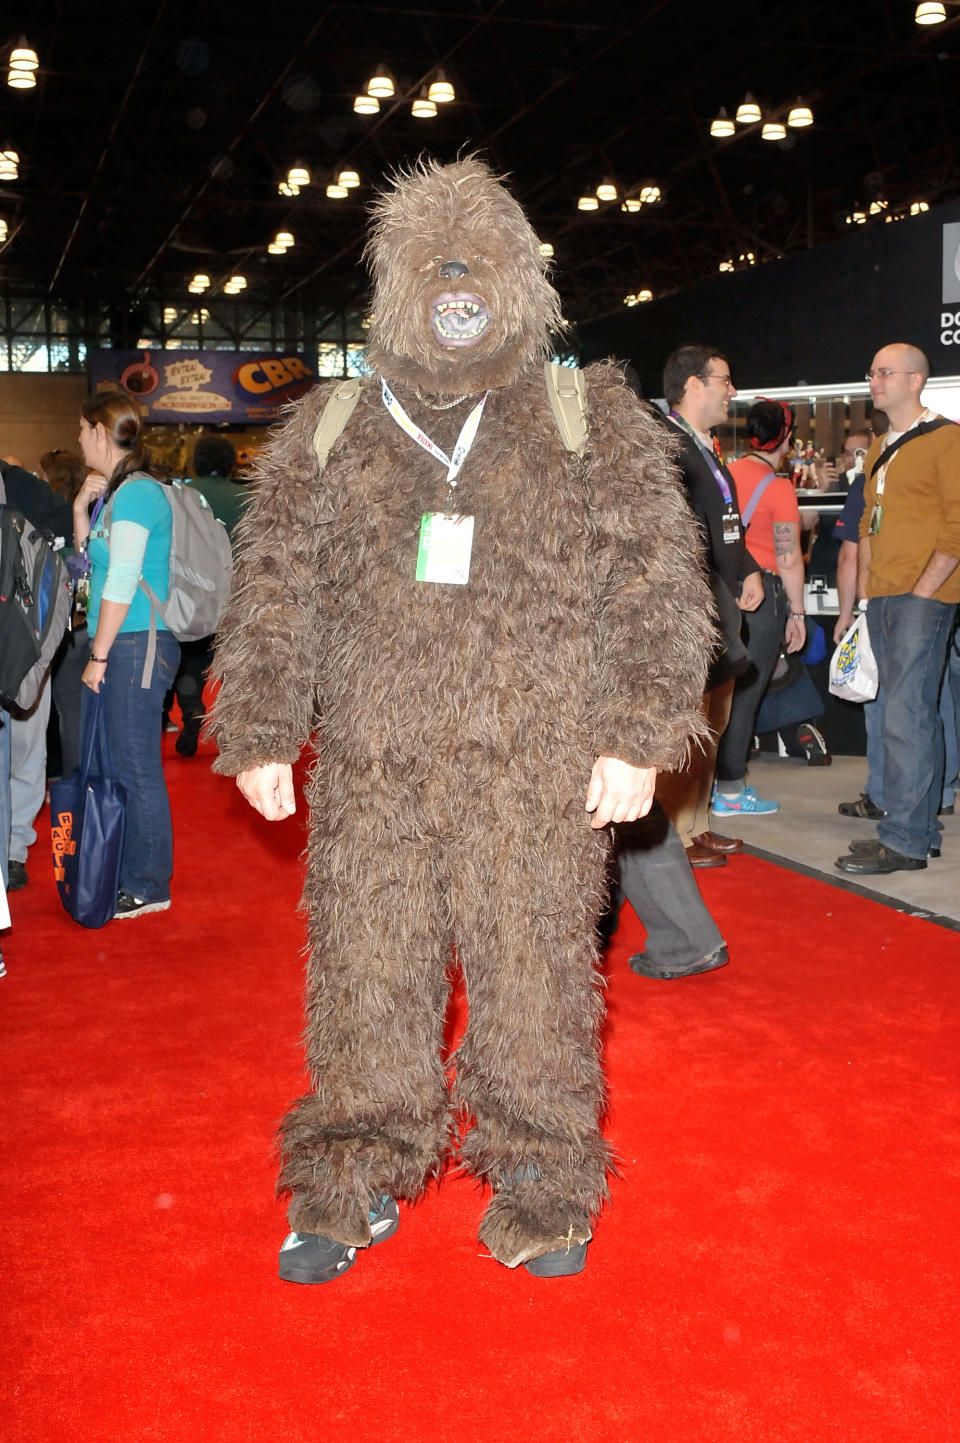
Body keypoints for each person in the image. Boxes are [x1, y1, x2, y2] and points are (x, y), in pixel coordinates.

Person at [210, 157, 713, 1283]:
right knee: (364, 971)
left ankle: (541, 1172)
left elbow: (657, 586)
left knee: (535, 972)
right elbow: (275, 583)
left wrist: (638, 734)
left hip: (534, 768)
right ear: (393, 287)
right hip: (372, 769)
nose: (452, 287)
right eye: (428, 270)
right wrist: (260, 725)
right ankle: (355, 1164)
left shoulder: (588, 417)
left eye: (475, 268)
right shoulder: (334, 425)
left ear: (522, 283)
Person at [836, 343, 960, 876]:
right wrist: (865, 594)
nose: (874, 381)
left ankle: (905, 839)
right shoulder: (884, 444)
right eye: (871, 372)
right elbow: (866, 526)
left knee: (907, 715)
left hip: (920, 598)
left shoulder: (948, 438)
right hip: (883, 596)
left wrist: (924, 590)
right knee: (898, 713)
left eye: (885, 373)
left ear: (915, 380)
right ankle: (917, 830)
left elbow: (958, 523)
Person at [655, 345, 764, 865]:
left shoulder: (707, 446)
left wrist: (748, 569)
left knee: (712, 721)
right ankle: (674, 835)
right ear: (693, 385)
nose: (732, 390)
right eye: (724, 380)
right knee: (688, 721)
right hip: (691, 608)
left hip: (722, 603)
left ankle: (696, 827)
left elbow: (726, 526)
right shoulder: (667, 446)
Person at [73, 390, 179, 918]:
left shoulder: (137, 495)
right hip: (125, 641)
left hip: (136, 642)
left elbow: (120, 579)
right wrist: (79, 512)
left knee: (136, 765)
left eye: (81, 429)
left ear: (99, 431)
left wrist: (98, 655)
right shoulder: (117, 495)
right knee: (120, 762)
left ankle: (148, 882)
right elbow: (90, 574)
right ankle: (130, 870)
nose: (76, 440)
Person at [711, 400, 809, 817]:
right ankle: (731, 792)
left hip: (722, 593)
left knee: (718, 697)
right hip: (763, 598)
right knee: (746, 698)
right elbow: (787, 557)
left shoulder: (725, 475)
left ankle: (709, 785)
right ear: (785, 437)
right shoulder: (780, 487)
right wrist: (799, 613)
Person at [168, 436, 248, 757]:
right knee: (232, 661)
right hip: (235, 594)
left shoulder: (178, 495)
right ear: (230, 463)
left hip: (192, 593)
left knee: (191, 658)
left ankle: (190, 711)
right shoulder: (246, 497)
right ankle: (229, 725)